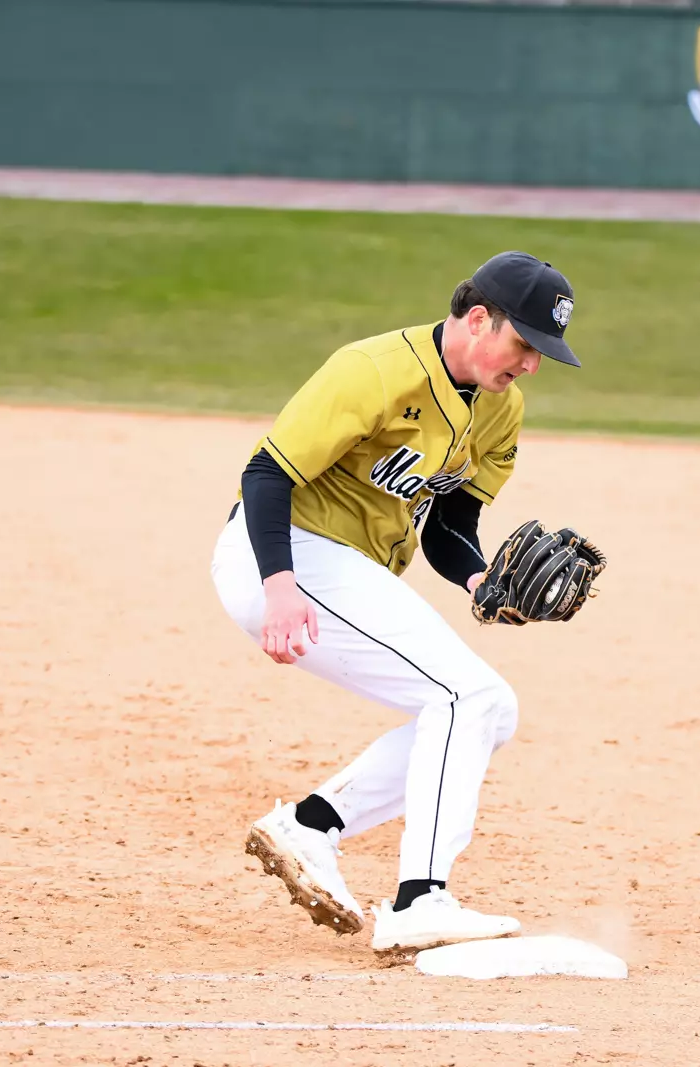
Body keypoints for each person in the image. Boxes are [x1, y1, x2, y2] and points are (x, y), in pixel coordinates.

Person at [210, 251, 581, 955]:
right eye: (525, 344)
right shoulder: (374, 369)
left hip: (344, 570)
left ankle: (312, 825)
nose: (531, 364)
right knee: (463, 695)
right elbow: (266, 472)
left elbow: (449, 527)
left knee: (488, 707)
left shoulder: (500, 410)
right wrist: (280, 584)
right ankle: (420, 899)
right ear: (478, 319)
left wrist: (481, 582)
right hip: (286, 553)